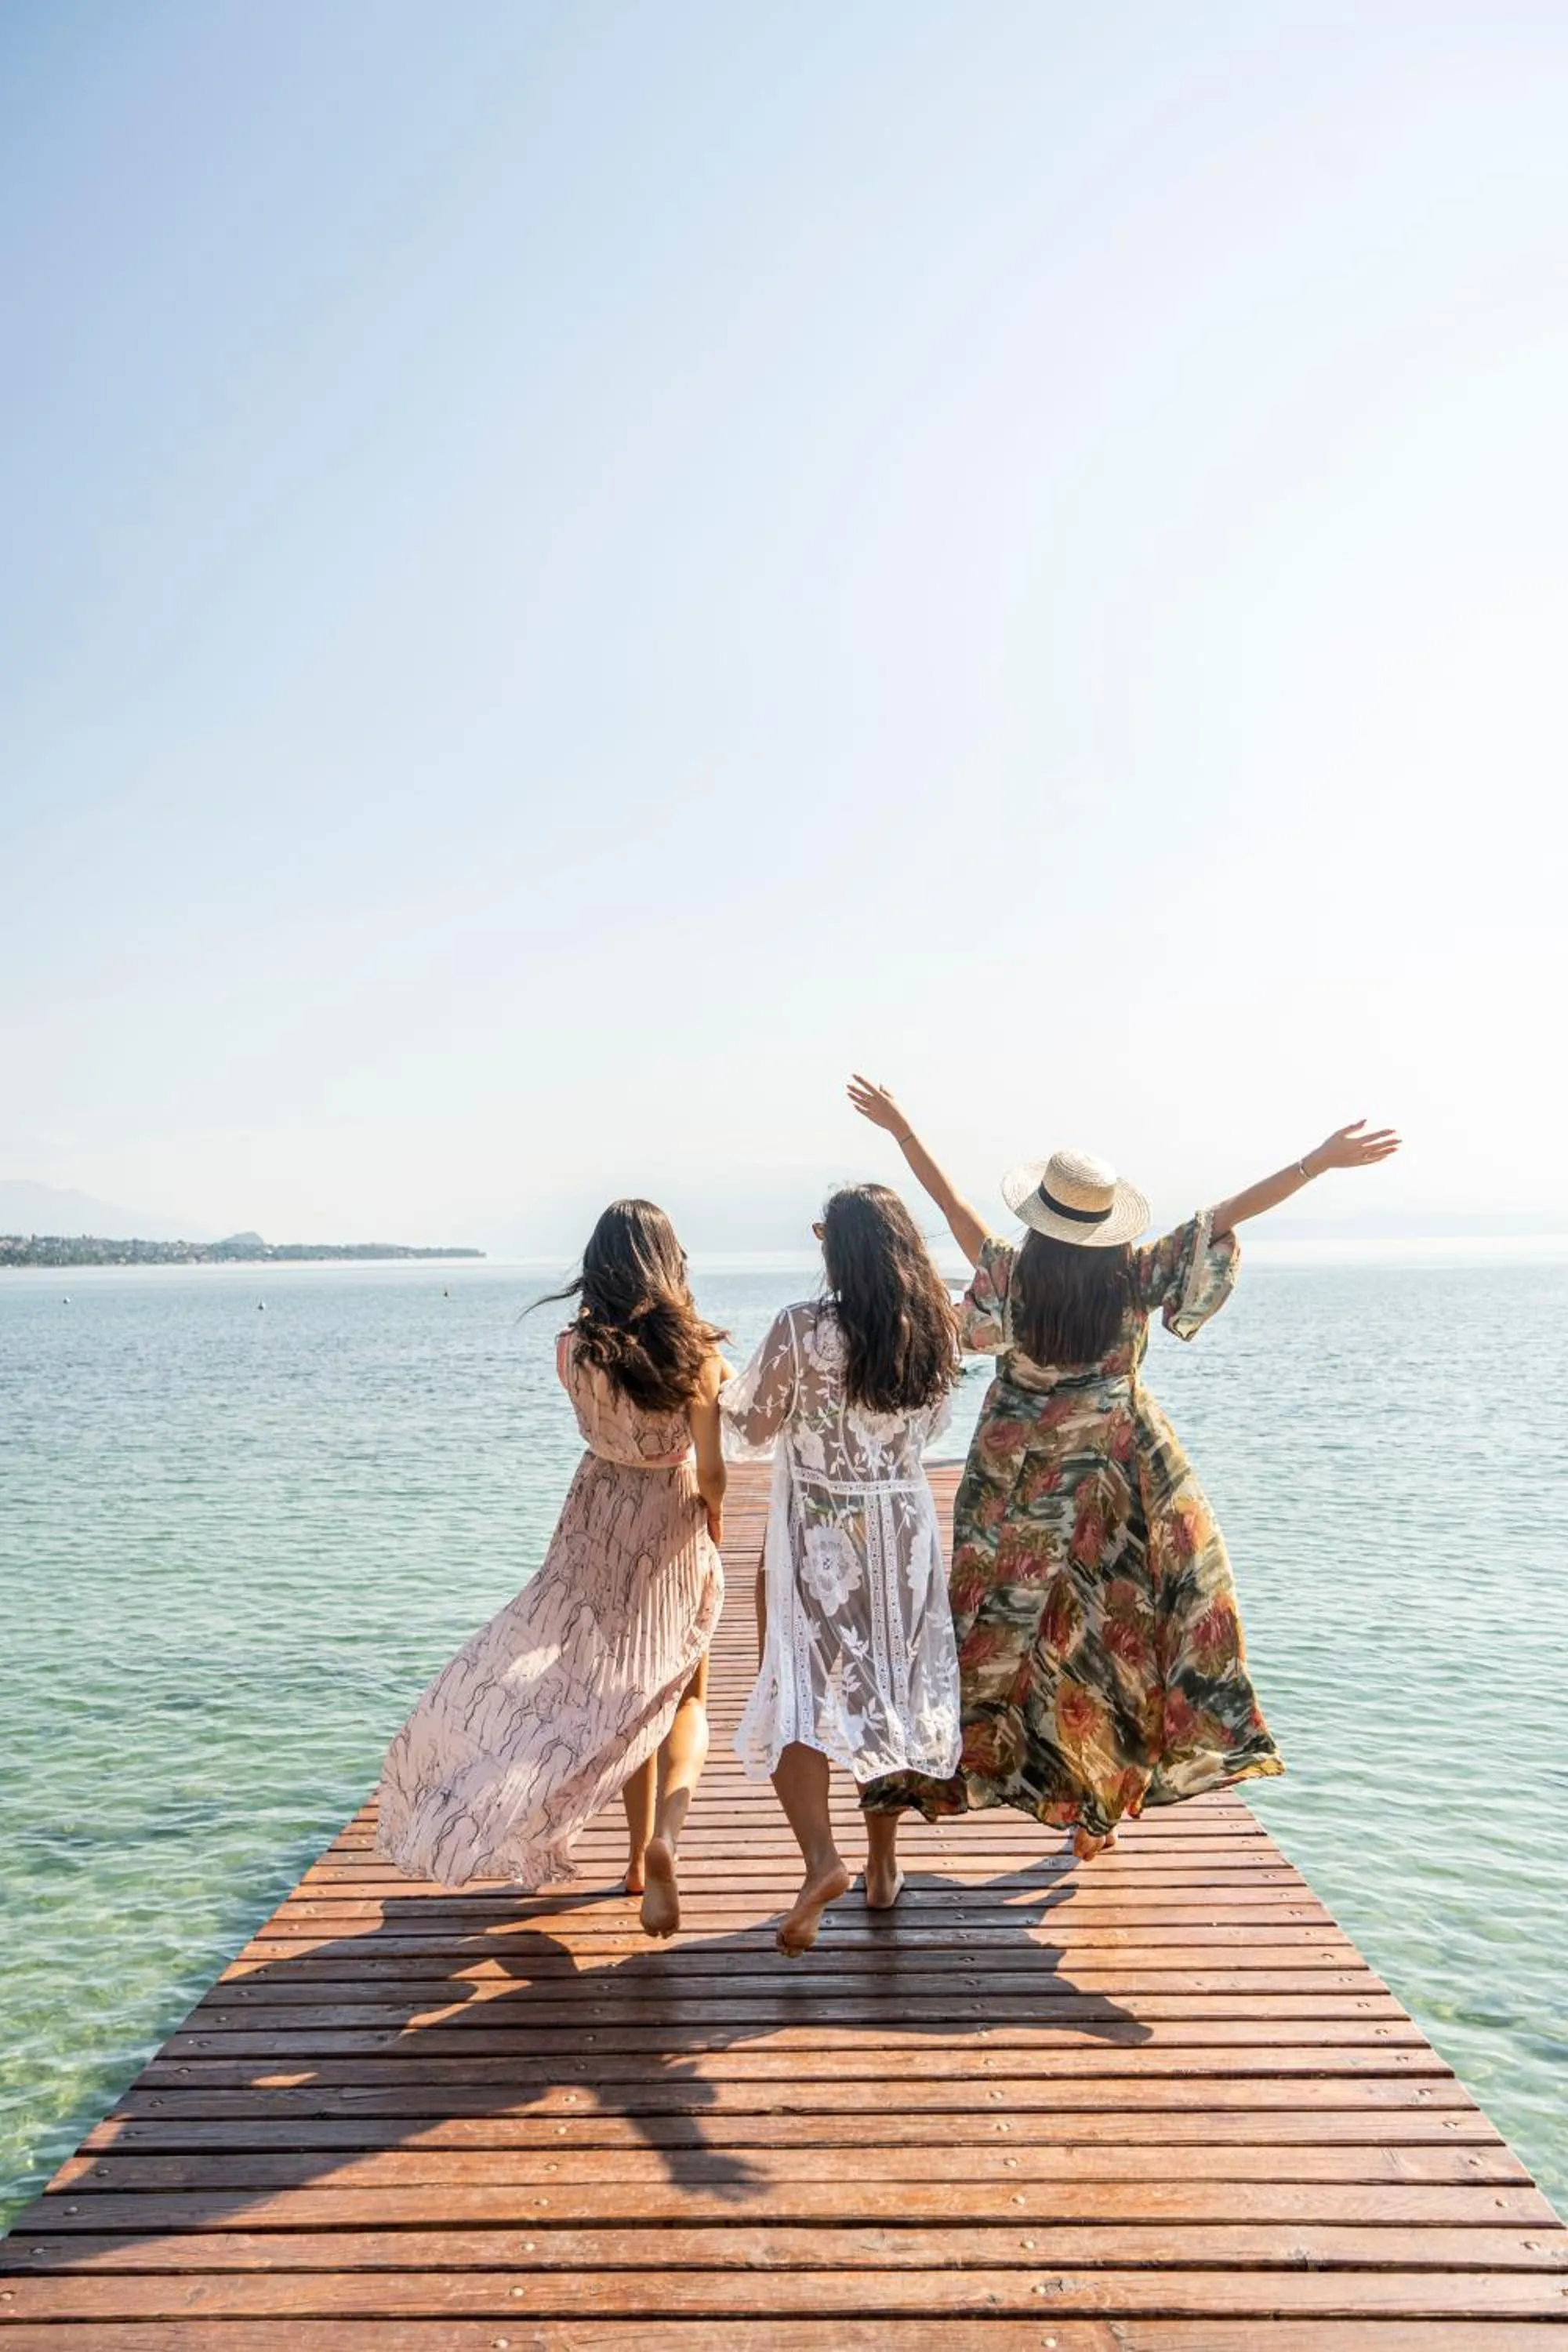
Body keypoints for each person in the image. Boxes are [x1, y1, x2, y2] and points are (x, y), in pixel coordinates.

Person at [848, 1076, 1400, 1858]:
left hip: (1016, 1479)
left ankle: (918, 1795)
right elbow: (1226, 1214)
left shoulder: (1008, 1270)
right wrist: (1317, 1161)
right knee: (1109, 1641)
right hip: (1113, 1475)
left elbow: (947, 1205)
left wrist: (902, 1130)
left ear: (1040, 1216)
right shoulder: (1132, 1275)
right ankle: (1089, 1810)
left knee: (988, 1635)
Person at [376, 1199, 727, 1938]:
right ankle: (661, 1843)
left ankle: (633, 1860)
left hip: (593, 1519)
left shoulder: (573, 1350)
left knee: (615, 1690)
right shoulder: (698, 1356)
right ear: (666, 1262)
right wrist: (711, 1517)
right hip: (669, 1521)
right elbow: (717, 1476)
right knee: (679, 1690)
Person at [720, 1184, 963, 1955]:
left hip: (815, 1531)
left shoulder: (801, 1328)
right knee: (884, 1689)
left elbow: (752, 1429)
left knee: (795, 1685)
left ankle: (821, 1860)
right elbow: (928, 1427)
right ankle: (883, 1867)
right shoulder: (931, 1327)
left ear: (838, 1246)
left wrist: (717, 1376)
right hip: (900, 1530)